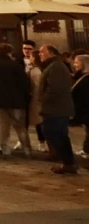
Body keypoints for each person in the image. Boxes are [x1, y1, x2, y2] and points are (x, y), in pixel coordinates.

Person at [0, 43, 33, 158]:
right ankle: (27, 149)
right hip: (16, 101)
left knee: (2, 126)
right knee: (20, 127)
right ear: (9, 53)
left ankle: (5, 150)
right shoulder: (16, 66)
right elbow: (25, 84)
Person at [38, 44, 78, 174]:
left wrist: (44, 100)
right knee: (57, 134)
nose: (40, 55)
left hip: (56, 108)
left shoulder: (56, 67)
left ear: (50, 53)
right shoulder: (53, 65)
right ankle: (67, 162)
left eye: (42, 52)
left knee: (54, 133)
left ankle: (68, 162)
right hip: (55, 108)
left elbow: (54, 89)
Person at [26, 46, 48, 154]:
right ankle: (43, 142)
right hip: (38, 97)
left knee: (40, 121)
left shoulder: (35, 70)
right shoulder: (39, 69)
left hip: (36, 98)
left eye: (31, 56)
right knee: (40, 121)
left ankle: (42, 142)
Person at [71, 55, 89, 158]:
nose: (74, 65)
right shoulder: (82, 76)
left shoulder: (86, 78)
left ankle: (87, 151)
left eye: (77, 62)